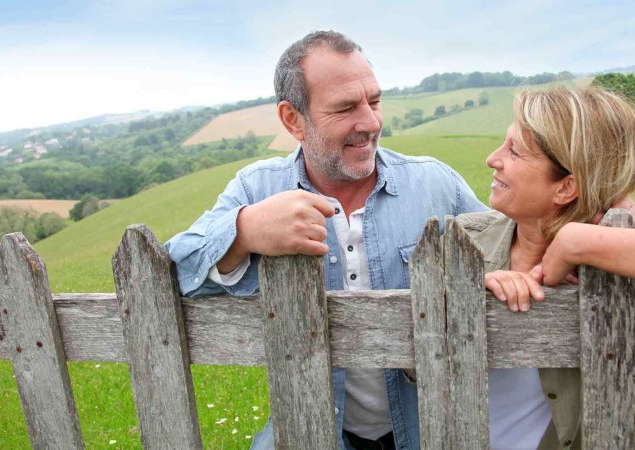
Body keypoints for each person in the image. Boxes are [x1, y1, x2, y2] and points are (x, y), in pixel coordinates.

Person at [165, 30, 489, 450]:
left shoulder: (435, 183)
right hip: (311, 431)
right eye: (345, 107)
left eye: (374, 101)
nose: (371, 123)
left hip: (433, 431)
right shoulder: (257, 189)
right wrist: (245, 231)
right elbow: (176, 271)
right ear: (293, 120)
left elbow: (509, 245)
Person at [456, 85, 635, 450]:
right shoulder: (465, 241)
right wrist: (475, 294)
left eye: (514, 151)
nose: (492, 159)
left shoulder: (622, 265)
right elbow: (413, 368)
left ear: (566, 187)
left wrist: (582, 241)